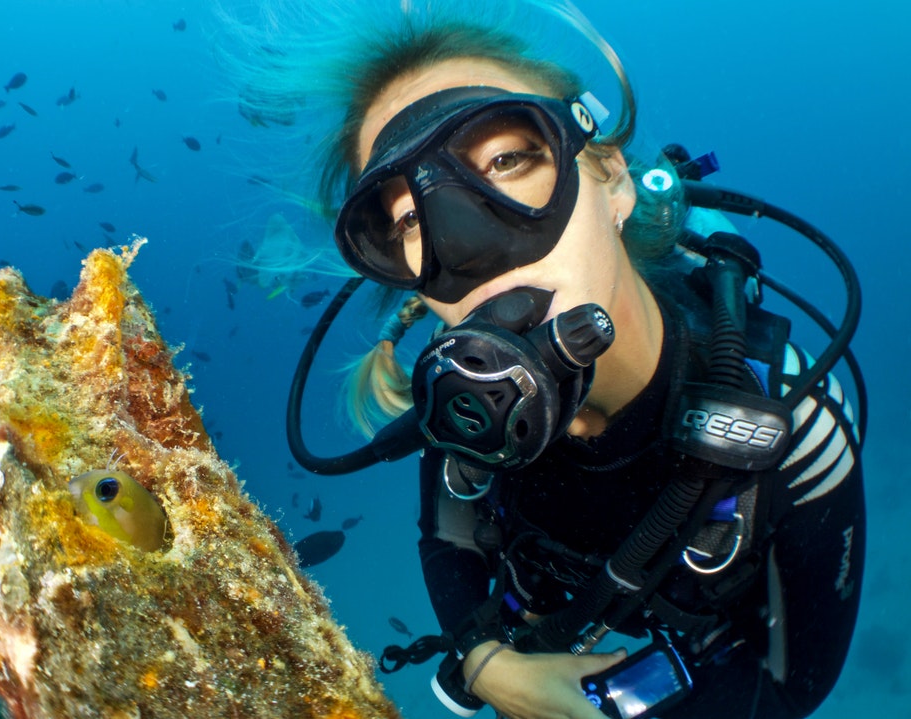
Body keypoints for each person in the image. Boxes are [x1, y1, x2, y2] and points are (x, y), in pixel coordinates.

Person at [231, 3, 866, 718]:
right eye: (410, 219)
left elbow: (796, 683)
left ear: (614, 182)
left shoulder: (792, 408)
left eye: (506, 159)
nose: (467, 245)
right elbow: (448, 540)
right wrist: (490, 664)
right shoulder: (468, 405)